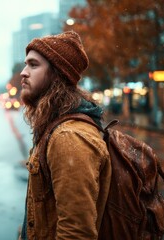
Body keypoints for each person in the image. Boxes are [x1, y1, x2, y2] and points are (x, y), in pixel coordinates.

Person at [19, 31, 112, 239]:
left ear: (57, 74)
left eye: (34, 65)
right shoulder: (55, 124)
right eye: (26, 64)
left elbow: (76, 233)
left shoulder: (69, 137)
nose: (23, 72)